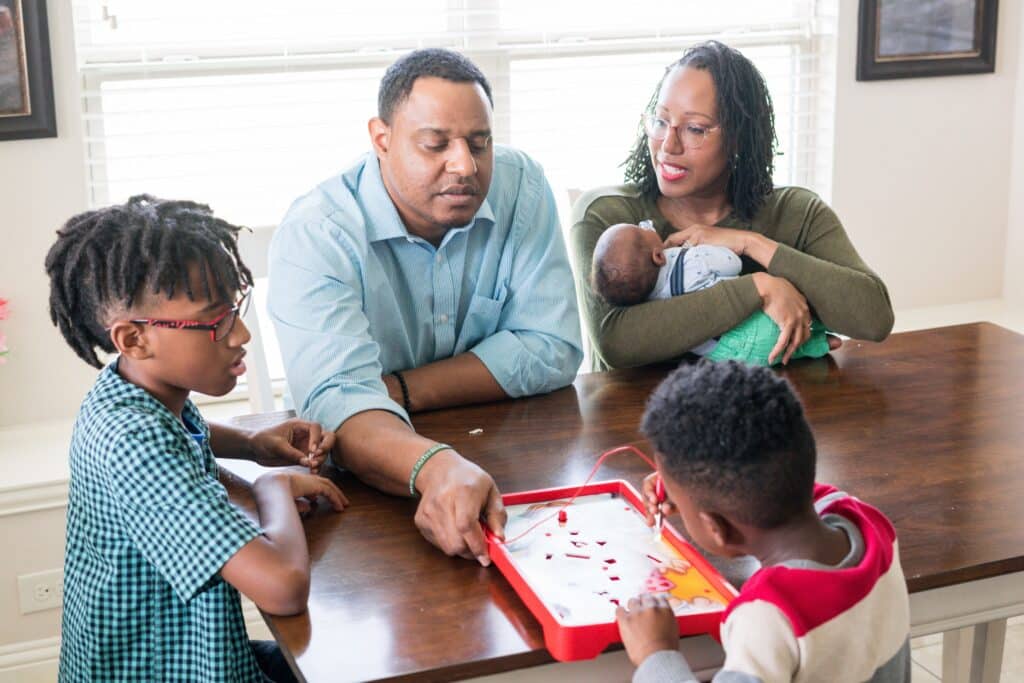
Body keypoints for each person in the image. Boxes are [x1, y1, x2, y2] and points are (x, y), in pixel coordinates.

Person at [268, 48, 583, 565]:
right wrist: (435, 465)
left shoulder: (521, 184)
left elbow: (552, 348)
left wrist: (400, 389)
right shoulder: (317, 234)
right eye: (435, 144)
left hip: (518, 465)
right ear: (381, 138)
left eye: (480, 143)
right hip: (364, 517)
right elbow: (338, 404)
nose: (465, 165)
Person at [46, 195, 348, 682]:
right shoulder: (133, 444)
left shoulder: (130, 392)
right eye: (215, 320)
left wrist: (251, 444)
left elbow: (180, 438)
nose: (241, 334)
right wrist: (272, 486)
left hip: (188, 650)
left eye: (235, 308)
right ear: (134, 339)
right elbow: (283, 588)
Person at [571, 40, 893, 370]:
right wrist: (758, 288)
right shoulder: (609, 218)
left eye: (695, 128)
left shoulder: (795, 212)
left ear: (738, 137)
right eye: (661, 121)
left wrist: (750, 243)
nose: (668, 145)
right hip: (637, 419)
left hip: (769, 411)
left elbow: (874, 319)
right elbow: (617, 341)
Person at [616, 361, 910, 682]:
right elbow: (787, 487)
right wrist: (691, 490)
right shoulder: (868, 522)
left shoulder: (768, 619)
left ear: (718, 530)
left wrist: (656, 653)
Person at [591, 222, 830, 365]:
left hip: (721, 354)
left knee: (777, 350)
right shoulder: (690, 260)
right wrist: (710, 247)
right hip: (750, 328)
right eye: (643, 229)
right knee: (786, 323)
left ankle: (817, 345)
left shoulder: (648, 303)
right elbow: (732, 263)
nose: (649, 226)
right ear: (658, 256)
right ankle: (817, 335)